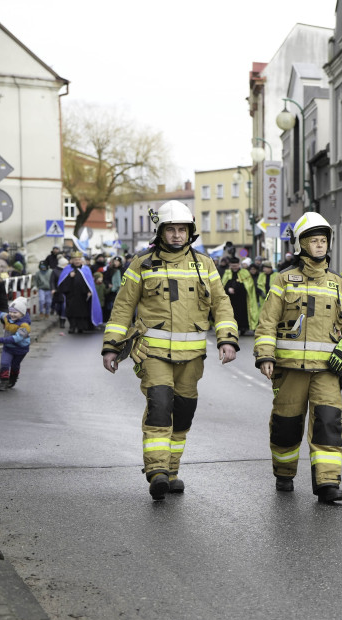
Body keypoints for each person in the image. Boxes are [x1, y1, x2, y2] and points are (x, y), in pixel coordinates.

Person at [101, 200, 239, 500]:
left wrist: (227, 338)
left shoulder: (205, 265)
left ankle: (171, 471)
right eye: (171, 230)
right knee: (160, 407)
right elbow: (123, 307)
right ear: (160, 232)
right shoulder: (142, 264)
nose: (177, 235)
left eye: (182, 230)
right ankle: (157, 472)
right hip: (153, 354)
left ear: (190, 232)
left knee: (183, 414)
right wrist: (111, 346)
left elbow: (222, 304)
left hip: (192, 359)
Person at [253, 212, 342, 504]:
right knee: (286, 425)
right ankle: (284, 472)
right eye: (313, 241)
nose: (319, 246)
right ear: (302, 245)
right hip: (290, 369)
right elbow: (267, 322)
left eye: (323, 241)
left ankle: (327, 483)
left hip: (327, 371)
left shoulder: (338, 285)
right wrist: (265, 356)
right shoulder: (283, 280)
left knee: (328, 423)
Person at [57, 250, 102, 333]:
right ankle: (72, 327)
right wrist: (70, 277)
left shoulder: (86, 269)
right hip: (71, 295)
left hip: (83, 295)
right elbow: (61, 283)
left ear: (81, 260)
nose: (77, 261)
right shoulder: (67, 269)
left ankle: (81, 327)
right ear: (72, 260)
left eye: (78, 259)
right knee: (72, 312)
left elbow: (89, 282)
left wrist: (89, 291)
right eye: (75, 259)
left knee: (82, 312)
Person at [0, 297, 31, 391]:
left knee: (14, 366)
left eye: (15, 312)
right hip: (8, 348)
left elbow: (17, 338)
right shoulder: (7, 317)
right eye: (11, 311)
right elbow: (1, 314)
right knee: (4, 363)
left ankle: (12, 379)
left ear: (22, 313)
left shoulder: (25, 325)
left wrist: (1, 340)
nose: (12, 314)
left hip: (20, 349)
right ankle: (3, 382)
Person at [221, 256, 257, 335]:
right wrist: (228, 289)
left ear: (239, 265)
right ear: (230, 265)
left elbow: (249, 285)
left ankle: (243, 328)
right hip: (231, 298)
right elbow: (223, 284)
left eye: (236, 266)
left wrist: (237, 288)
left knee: (242, 313)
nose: (234, 268)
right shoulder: (227, 272)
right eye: (233, 266)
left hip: (242, 298)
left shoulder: (245, 272)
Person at [102, 256, 123, 322]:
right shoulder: (109, 269)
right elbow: (105, 279)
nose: (116, 263)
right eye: (115, 261)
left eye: (117, 262)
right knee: (110, 306)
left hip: (120, 291)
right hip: (111, 291)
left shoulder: (123, 270)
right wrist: (108, 284)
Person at [52, 256, 68, 328]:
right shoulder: (55, 271)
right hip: (57, 292)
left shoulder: (67, 270)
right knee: (58, 307)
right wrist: (53, 289)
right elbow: (52, 281)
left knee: (64, 307)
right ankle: (59, 315)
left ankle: (62, 321)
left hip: (65, 292)